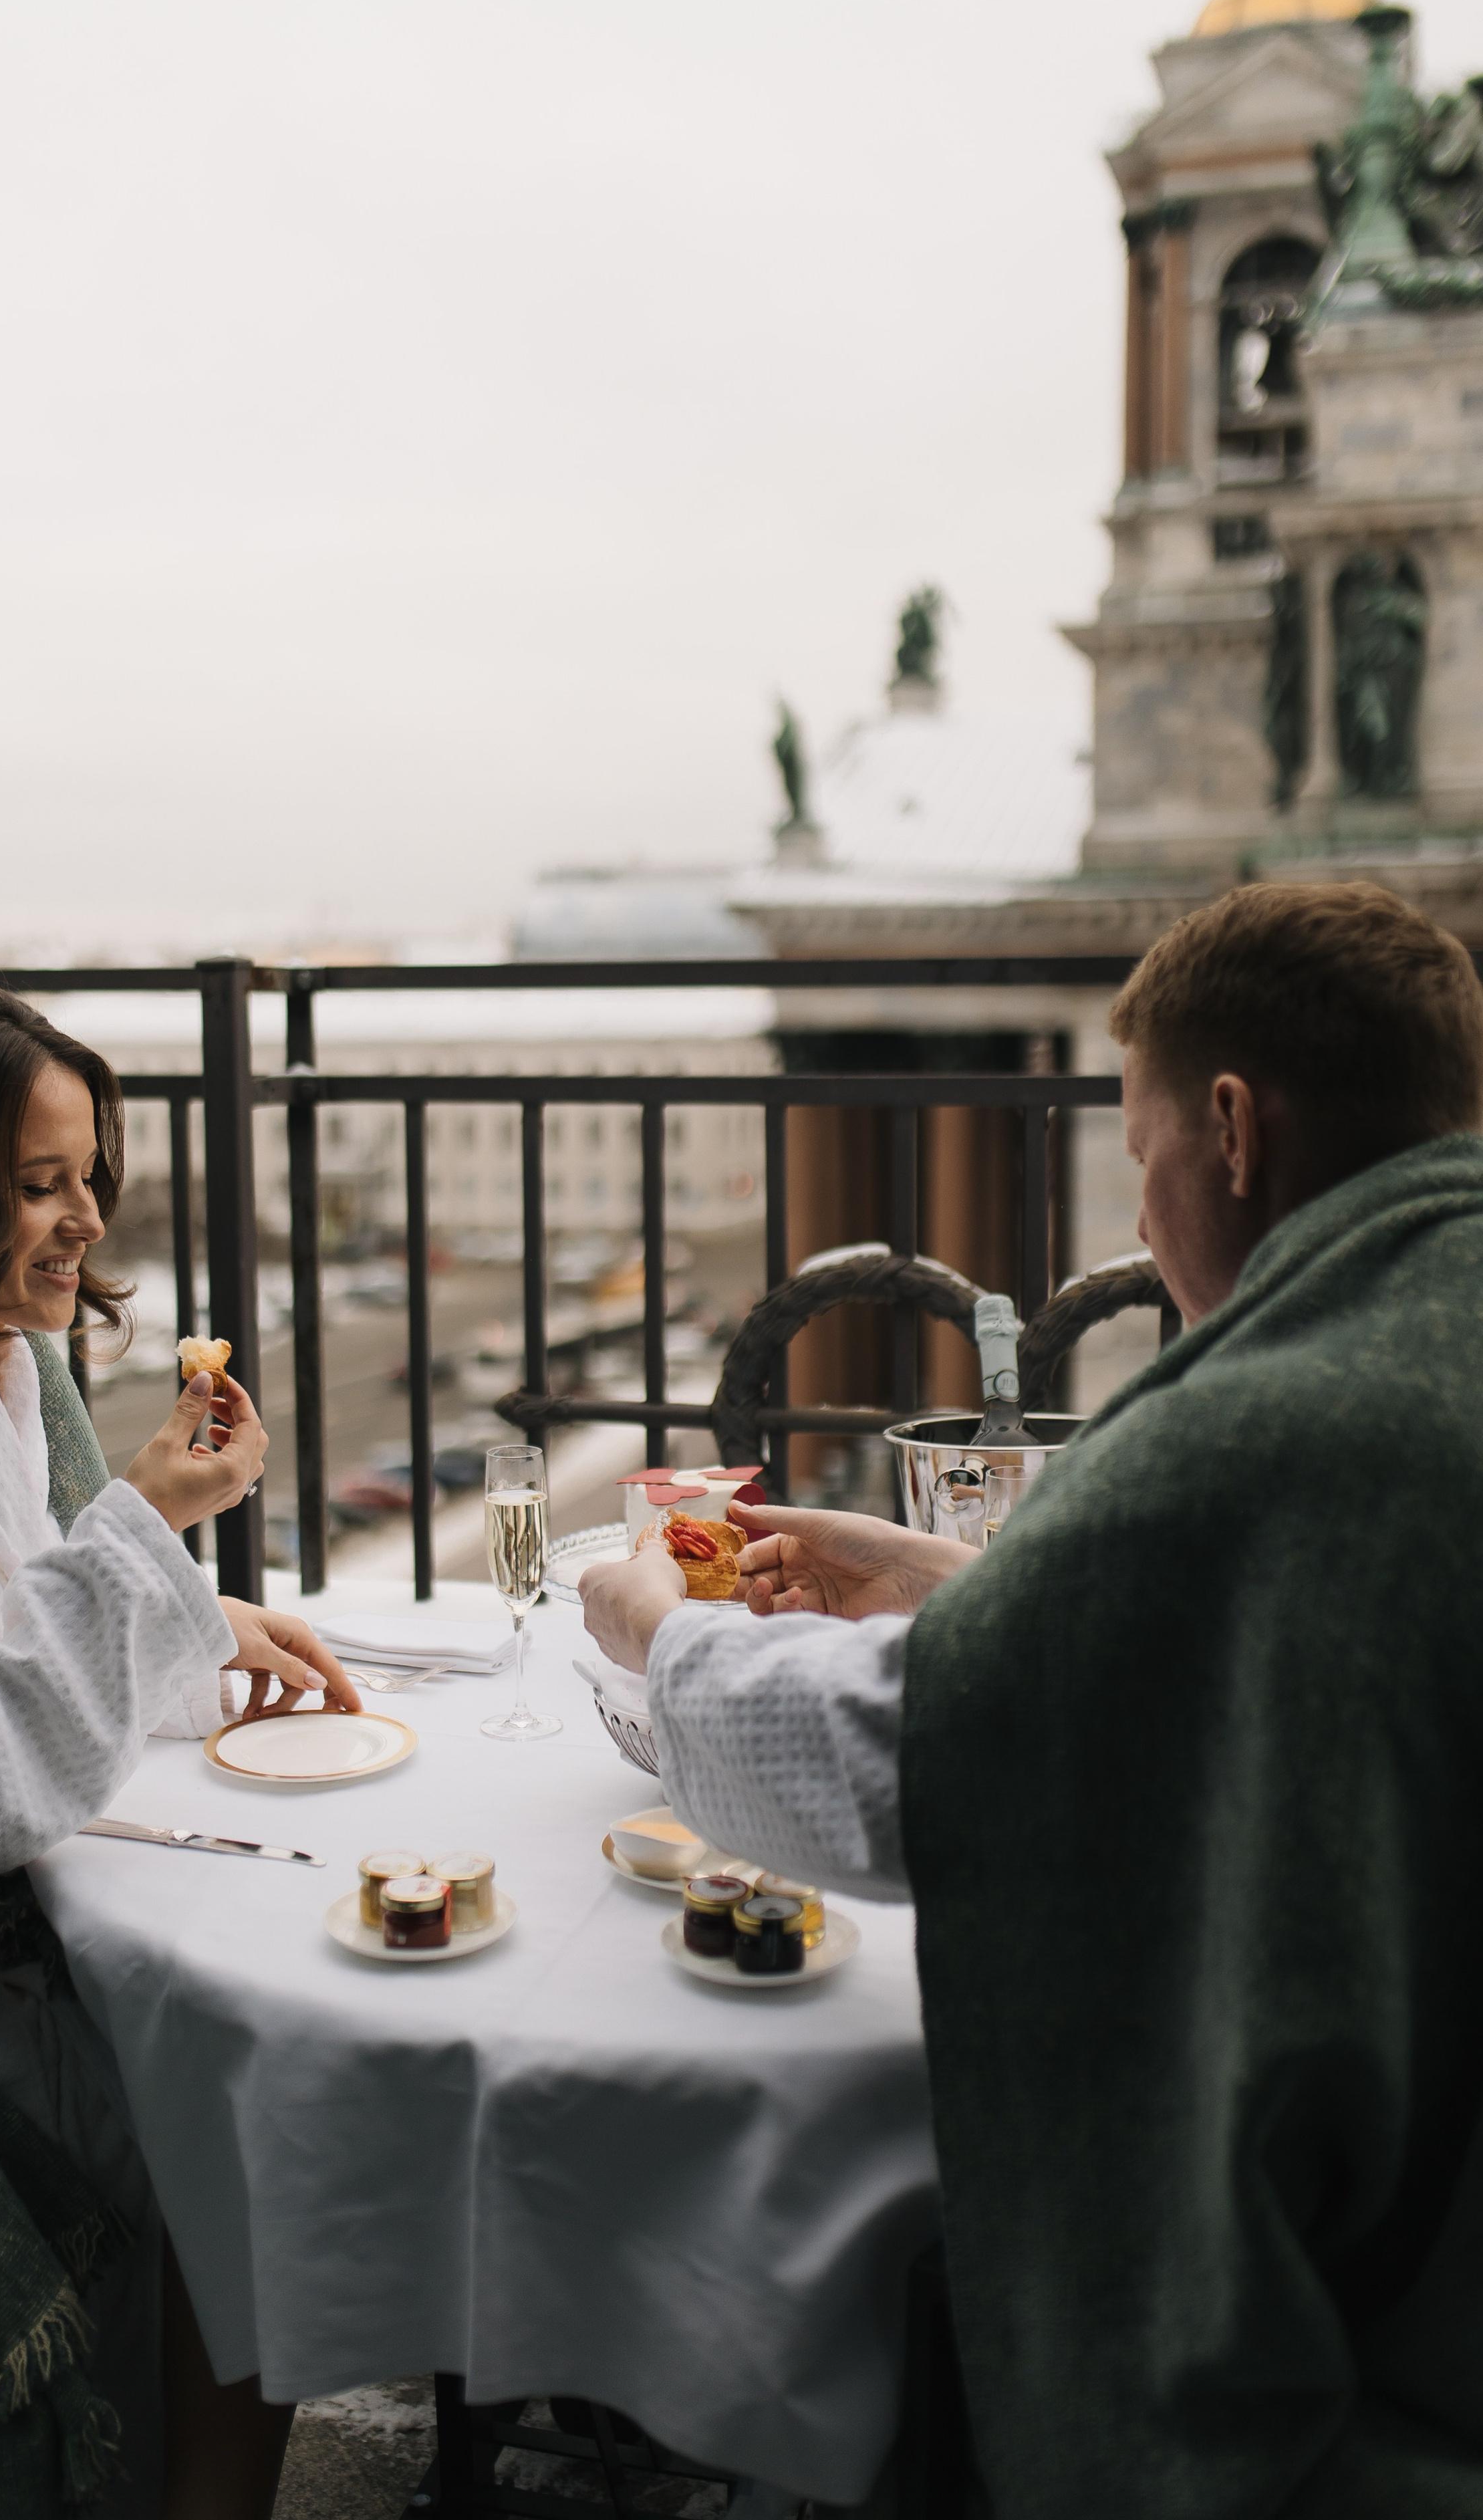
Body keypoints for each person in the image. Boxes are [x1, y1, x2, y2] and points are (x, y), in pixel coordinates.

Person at [583, 881, 1483, 2517]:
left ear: (1227, 1130)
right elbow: (1245, 1639)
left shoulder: (1262, 1434)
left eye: (1139, 1159)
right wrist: (960, 1585)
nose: (1142, 1227)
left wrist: (661, 1633)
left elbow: (892, 1775)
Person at [0, 976, 358, 2520]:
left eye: (90, 1171)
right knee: (259, 2147)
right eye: (38, 1185)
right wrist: (148, 1527)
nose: (87, 1217)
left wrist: (194, 1615)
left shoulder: (1, 1358)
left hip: (38, 1936)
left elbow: (24, 1608)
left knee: (262, 2154)